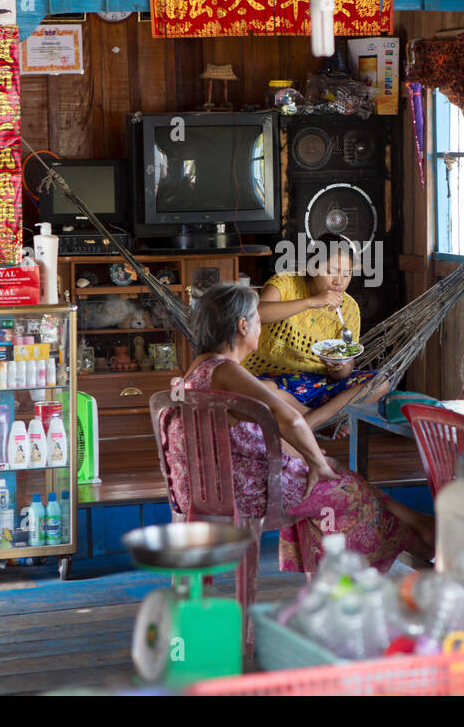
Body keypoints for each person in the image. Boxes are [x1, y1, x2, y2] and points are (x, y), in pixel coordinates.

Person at [162, 283, 433, 572]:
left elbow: (245, 434)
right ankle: (413, 545)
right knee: (346, 490)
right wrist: (316, 462)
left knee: (338, 476)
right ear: (243, 326)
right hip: (243, 493)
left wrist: (307, 454)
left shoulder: (196, 372)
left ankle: (420, 528)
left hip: (202, 490)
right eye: (257, 319)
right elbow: (289, 419)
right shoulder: (225, 370)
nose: (261, 327)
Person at [242, 233, 389, 430]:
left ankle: (309, 423)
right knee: (259, 392)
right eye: (331, 271)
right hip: (273, 379)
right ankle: (322, 421)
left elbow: (343, 374)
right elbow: (257, 314)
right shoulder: (286, 283)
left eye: (347, 274)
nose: (339, 281)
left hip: (318, 385)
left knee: (380, 383)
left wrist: (337, 365)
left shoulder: (349, 308)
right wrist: (311, 302)